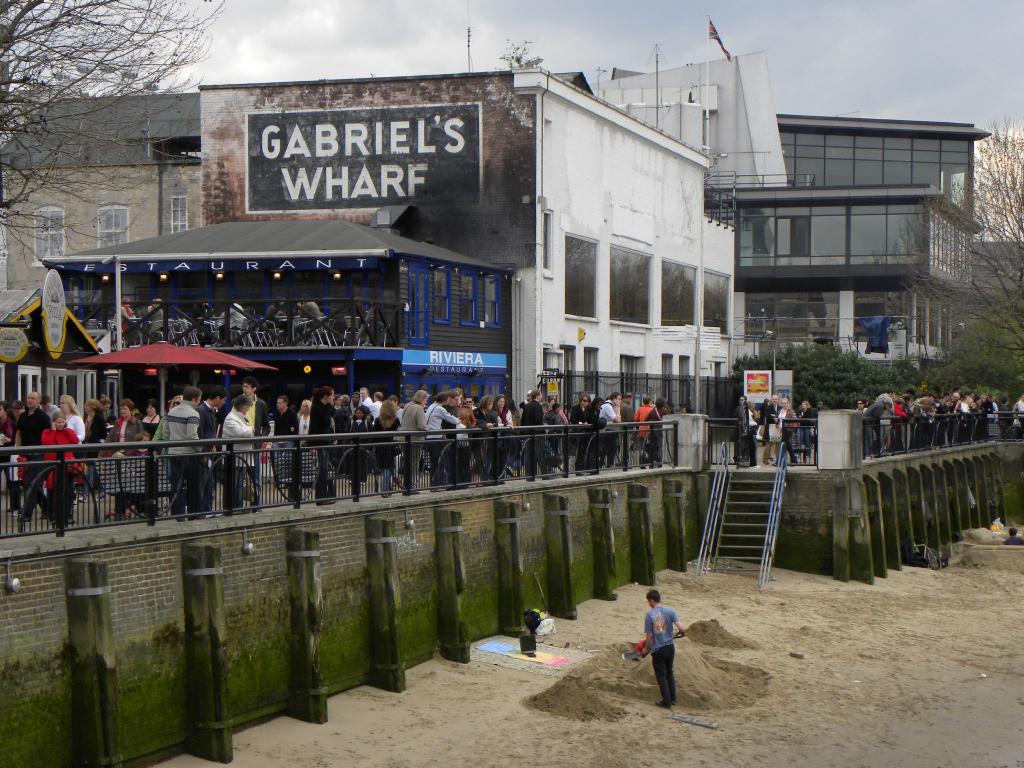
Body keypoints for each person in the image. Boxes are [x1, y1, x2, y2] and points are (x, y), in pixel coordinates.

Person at [641, 589, 687, 709]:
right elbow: (681, 627)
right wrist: (681, 632)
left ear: (652, 600)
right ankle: (673, 699)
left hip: (659, 650)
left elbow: (649, 636)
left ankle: (666, 701)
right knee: (669, 672)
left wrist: (646, 649)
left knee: (661, 675)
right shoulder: (670, 611)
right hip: (670, 647)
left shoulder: (650, 615)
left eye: (648, 601)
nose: (648, 604)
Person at [164, 386, 203, 519]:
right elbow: (192, 436)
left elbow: (166, 433)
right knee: (193, 486)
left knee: (176, 487)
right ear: (193, 399)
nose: (199, 402)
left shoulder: (172, 411)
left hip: (173, 454)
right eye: (199, 399)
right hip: (189, 455)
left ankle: (178, 515)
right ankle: (194, 514)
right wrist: (201, 451)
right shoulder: (193, 414)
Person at [16, 391, 51, 524]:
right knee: (29, 483)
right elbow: (19, 433)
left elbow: (47, 434)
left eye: (33, 398)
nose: (29, 400)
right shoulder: (23, 415)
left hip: (38, 454)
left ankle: (26, 513)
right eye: (28, 398)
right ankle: (47, 508)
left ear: (38, 401)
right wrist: (18, 450)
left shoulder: (43, 416)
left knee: (33, 483)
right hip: (25, 453)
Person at [41, 412, 80, 526]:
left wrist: (67, 430)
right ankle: (53, 514)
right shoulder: (47, 432)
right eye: (58, 422)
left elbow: (75, 441)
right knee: (52, 491)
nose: (60, 425)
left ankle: (67, 514)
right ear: (53, 422)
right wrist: (53, 431)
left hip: (66, 465)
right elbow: (46, 443)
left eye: (62, 422)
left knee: (68, 491)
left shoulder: (67, 432)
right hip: (52, 465)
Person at [221, 394, 255, 509]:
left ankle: (238, 506)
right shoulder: (231, 418)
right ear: (243, 406)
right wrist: (251, 429)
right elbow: (239, 432)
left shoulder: (240, 416)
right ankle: (233, 506)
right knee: (235, 483)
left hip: (241, 457)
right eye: (248, 407)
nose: (248, 410)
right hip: (234, 458)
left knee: (240, 483)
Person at [425, 391, 464, 487]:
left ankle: (434, 484)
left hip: (429, 437)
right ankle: (438, 484)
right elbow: (449, 418)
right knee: (439, 462)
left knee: (434, 462)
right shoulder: (439, 408)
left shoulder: (431, 406)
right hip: (435, 438)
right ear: (445, 400)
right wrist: (458, 420)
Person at [310, 386, 336, 503]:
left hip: (326, 441)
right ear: (325, 396)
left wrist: (330, 405)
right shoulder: (317, 408)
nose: (333, 398)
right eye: (332, 395)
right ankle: (321, 497)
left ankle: (324, 495)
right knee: (322, 469)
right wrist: (312, 444)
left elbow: (333, 413)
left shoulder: (326, 407)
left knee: (324, 469)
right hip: (320, 442)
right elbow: (313, 427)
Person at [399, 389, 429, 482]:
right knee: (414, 462)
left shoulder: (407, 405)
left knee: (407, 461)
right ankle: (411, 484)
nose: (426, 402)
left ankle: (406, 484)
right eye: (426, 399)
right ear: (422, 398)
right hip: (415, 439)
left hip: (404, 438)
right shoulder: (419, 408)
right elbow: (421, 426)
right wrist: (428, 428)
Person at [372, 399, 401, 494]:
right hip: (390, 446)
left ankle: (384, 489)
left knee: (383, 467)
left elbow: (374, 434)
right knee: (388, 467)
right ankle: (385, 489)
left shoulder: (377, 420)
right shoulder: (396, 420)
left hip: (380, 446)